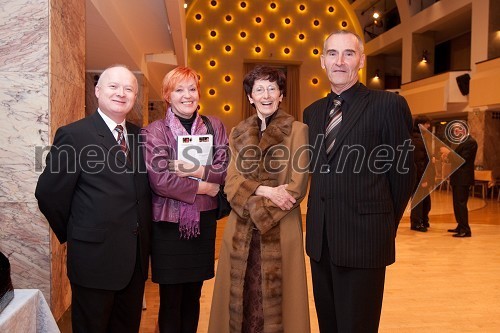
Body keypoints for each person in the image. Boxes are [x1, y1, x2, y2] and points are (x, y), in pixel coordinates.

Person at [303, 30, 415, 332]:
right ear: (323, 61)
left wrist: (382, 222)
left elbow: (404, 170)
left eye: (348, 54)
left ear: (361, 60)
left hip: (364, 240)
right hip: (320, 242)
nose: (340, 61)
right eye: (332, 54)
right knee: (329, 325)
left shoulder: (387, 105)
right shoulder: (311, 113)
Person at [35, 65, 152, 333]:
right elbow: (49, 193)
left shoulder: (140, 136)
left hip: (134, 260)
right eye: (113, 86)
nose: (121, 93)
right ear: (97, 91)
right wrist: (76, 231)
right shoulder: (74, 135)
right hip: (93, 259)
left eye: (129, 89)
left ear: (134, 97)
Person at [208, 66, 311, 333]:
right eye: (259, 89)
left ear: (281, 95)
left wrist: (249, 195)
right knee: (241, 301)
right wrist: (265, 191)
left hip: (281, 228)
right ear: (251, 97)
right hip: (240, 231)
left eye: (272, 88)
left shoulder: (298, 131)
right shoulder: (238, 133)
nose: (266, 95)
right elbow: (230, 184)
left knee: (277, 309)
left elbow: (296, 188)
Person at [142, 66, 228, 333]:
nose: (187, 95)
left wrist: (190, 169)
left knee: (194, 295)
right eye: (179, 90)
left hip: (202, 223)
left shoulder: (215, 126)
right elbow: (161, 181)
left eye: (192, 88)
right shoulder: (154, 131)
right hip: (168, 225)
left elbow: (224, 169)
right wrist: (206, 188)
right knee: (170, 300)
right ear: (168, 95)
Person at [440, 128, 478, 238]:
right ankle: (460, 226)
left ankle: (466, 230)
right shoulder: (463, 142)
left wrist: (448, 153)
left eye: (458, 130)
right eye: (455, 131)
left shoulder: (470, 142)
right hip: (458, 177)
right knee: (456, 204)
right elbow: (455, 159)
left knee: (461, 204)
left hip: (463, 178)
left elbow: (462, 160)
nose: (456, 133)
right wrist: (447, 157)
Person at [410, 115, 435, 232]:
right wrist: (423, 178)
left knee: (425, 200)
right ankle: (416, 223)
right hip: (419, 176)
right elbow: (419, 161)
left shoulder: (420, 138)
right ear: (420, 125)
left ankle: (423, 220)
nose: (429, 126)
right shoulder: (417, 139)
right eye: (426, 124)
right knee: (419, 199)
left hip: (420, 175)